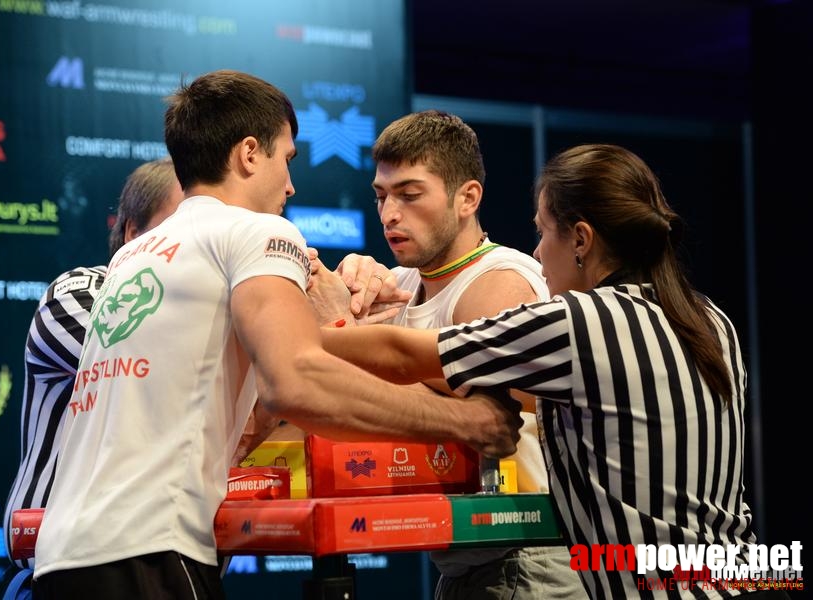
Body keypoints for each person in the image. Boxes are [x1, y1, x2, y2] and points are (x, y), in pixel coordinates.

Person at [30, 69, 524, 600]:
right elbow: (296, 383)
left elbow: (238, 407)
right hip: (151, 548)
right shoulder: (257, 231)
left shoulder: (133, 255)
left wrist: (334, 329)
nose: (290, 185)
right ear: (249, 154)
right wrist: (465, 420)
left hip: (64, 554)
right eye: (286, 159)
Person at [318, 144, 787, 599]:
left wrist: (315, 327)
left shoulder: (576, 320)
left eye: (544, 233)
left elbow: (404, 355)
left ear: (581, 239)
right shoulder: (710, 317)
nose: (537, 255)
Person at [317, 110, 587, 599]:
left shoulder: (501, 279)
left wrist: (358, 352)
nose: (389, 214)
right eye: (381, 196)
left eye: (410, 195)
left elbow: (505, 402)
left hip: (531, 558)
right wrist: (346, 315)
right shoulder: (395, 284)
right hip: (463, 560)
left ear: (468, 197)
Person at [0, 157, 184, 599]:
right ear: (133, 235)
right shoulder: (79, 293)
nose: (201, 248)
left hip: (172, 569)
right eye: (182, 231)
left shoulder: (226, 315)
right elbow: (165, 367)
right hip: (60, 575)